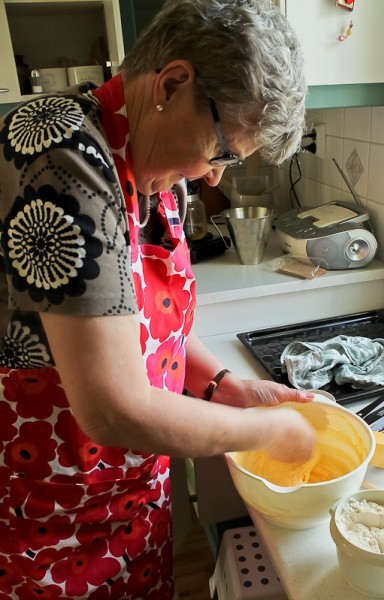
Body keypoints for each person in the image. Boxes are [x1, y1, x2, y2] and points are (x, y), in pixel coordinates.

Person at [0, 1, 314, 598]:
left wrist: (227, 387)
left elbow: (156, 332)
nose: (215, 177)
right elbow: (112, 408)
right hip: (48, 521)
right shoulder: (61, 154)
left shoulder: (150, 166)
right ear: (172, 84)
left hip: (134, 507)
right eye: (222, 151)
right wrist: (271, 434)